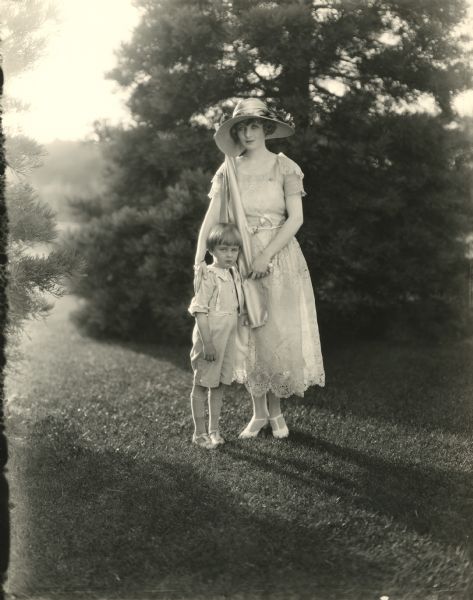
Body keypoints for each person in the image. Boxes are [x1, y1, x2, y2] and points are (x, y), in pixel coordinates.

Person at [194, 97, 325, 440]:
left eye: (254, 125)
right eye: (241, 127)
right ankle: (258, 413)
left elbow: (296, 218)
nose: (248, 133)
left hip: (278, 256)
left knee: (275, 332)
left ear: (267, 128)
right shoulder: (229, 169)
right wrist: (199, 258)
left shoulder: (285, 167)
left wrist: (267, 254)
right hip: (240, 256)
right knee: (249, 333)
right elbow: (213, 216)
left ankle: (277, 413)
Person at [189, 222, 246, 449]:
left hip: (227, 341)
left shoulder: (233, 273)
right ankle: (199, 433)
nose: (230, 254)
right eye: (224, 249)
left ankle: (214, 430)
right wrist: (208, 343)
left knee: (219, 385)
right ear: (212, 250)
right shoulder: (208, 275)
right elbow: (200, 311)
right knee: (202, 384)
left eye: (234, 250)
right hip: (209, 339)